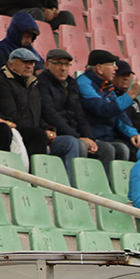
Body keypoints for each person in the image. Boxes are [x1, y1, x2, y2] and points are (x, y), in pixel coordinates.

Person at [0, 44, 83, 179]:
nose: (29, 66)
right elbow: (12, 116)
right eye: (24, 62)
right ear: (11, 65)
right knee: (39, 136)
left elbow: (36, 114)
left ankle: (69, 186)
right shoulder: (2, 83)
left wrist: (47, 129)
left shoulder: (32, 84)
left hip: (36, 134)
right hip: (18, 136)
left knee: (70, 142)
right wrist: (42, 134)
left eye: (31, 63)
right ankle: (37, 182)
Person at [38, 48, 97, 182]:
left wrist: (89, 138)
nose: (63, 68)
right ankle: (72, 187)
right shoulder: (41, 83)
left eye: (66, 64)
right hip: (53, 134)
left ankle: (96, 188)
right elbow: (50, 114)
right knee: (75, 144)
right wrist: (77, 136)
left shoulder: (71, 84)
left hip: (72, 133)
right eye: (58, 63)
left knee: (110, 149)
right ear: (47, 65)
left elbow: (80, 115)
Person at [77, 48, 140, 166]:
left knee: (128, 148)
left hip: (108, 137)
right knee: (109, 150)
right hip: (91, 136)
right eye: (112, 64)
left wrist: (133, 134)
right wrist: (131, 94)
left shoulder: (106, 85)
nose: (115, 68)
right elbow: (103, 110)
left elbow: (119, 115)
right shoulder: (84, 83)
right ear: (99, 68)